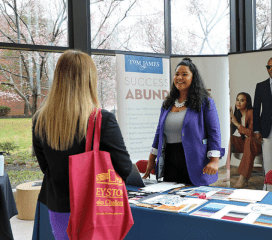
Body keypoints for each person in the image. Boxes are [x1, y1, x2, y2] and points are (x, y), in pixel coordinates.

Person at [32, 50, 132, 239]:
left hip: (58, 206)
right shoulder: (102, 119)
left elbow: (46, 167)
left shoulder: (40, 119)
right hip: (93, 206)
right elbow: (124, 167)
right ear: (89, 80)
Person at [142, 58, 224, 186]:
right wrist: (152, 158)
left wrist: (214, 161)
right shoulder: (167, 103)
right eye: (177, 74)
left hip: (195, 160)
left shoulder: (205, 102)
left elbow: (214, 132)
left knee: (194, 200)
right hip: (170, 160)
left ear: (193, 78)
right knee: (170, 201)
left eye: (184, 74)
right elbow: (159, 132)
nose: (179, 77)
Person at [222, 92, 260, 188]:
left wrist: (237, 123)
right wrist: (230, 120)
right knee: (230, 139)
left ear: (247, 102)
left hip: (255, 143)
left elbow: (252, 133)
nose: (239, 102)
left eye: (242, 100)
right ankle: (228, 173)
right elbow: (229, 133)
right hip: (245, 143)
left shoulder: (251, 113)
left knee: (249, 140)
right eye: (237, 100)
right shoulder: (238, 114)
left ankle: (243, 179)